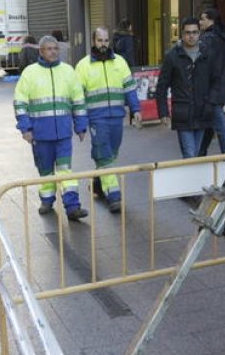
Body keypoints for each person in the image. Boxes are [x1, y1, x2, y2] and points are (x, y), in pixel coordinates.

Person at [13, 35, 89, 220]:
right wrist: (25, 129)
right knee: (45, 170)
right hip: (40, 135)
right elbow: (20, 102)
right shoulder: (30, 73)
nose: (53, 51)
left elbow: (78, 99)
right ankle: (47, 201)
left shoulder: (68, 71)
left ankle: (72, 206)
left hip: (63, 133)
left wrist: (80, 126)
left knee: (66, 171)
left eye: (56, 48)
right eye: (49, 48)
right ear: (41, 51)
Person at [74, 26, 141, 213]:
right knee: (104, 155)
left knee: (111, 154)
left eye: (105, 41)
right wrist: (80, 123)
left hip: (117, 117)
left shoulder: (120, 62)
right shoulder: (83, 66)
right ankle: (114, 196)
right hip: (96, 119)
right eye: (99, 40)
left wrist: (135, 109)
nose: (103, 44)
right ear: (93, 41)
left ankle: (98, 183)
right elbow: (78, 97)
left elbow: (129, 88)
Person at [155, 17, 220, 159]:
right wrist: (163, 112)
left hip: (203, 112)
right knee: (190, 155)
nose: (191, 36)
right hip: (182, 113)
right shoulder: (172, 57)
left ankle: (192, 180)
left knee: (195, 155)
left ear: (199, 33)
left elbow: (216, 82)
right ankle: (191, 180)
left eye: (195, 32)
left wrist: (211, 103)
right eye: (188, 32)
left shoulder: (208, 54)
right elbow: (162, 86)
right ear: (182, 34)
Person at [198, 8, 225, 156]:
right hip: (224, 87)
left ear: (211, 21)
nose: (200, 22)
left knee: (220, 125)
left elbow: (205, 65)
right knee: (211, 121)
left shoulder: (209, 39)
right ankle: (200, 153)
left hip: (213, 88)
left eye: (203, 19)